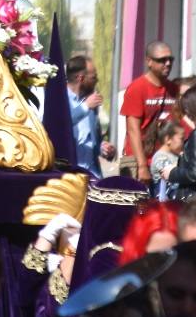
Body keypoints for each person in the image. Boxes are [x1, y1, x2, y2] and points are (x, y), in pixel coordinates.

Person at [119, 40, 178, 182]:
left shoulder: (174, 89)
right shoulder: (137, 88)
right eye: (162, 60)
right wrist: (142, 166)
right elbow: (133, 130)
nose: (168, 63)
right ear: (149, 61)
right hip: (140, 162)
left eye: (170, 59)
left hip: (166, 162)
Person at [65, 54, 114, 176]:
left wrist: (103, 148)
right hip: (68, 175)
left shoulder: (90, 102)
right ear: (81, 78)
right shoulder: (60, 99)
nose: (97, 81)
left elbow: (92, 140)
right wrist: (85, 107)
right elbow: (61, 123)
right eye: (93, 77)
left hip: (92, 174)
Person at [150, 119, 184, 198]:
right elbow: (169, 173)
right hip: (165, 196)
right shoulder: (160, 157)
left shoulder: (175, 155)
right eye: (181, 139)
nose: (183, 142)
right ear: (168, 139)